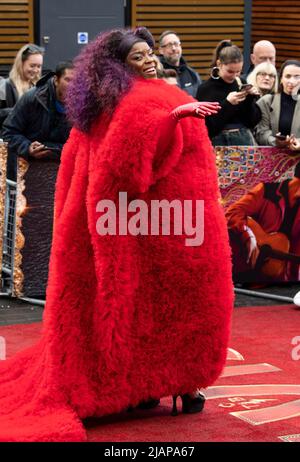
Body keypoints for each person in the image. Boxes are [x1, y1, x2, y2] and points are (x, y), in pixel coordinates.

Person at [0, 27, 233, 441]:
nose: (148, 60)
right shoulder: (115, 106)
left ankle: (177, 381)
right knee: (145, 306)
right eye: (137, 56)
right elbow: (128, 167)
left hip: (172, 226)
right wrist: (171, 121)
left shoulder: (150, 98)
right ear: (116, 67)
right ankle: (146, 383)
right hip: (138, 226)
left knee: (171, 303)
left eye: (149, 53)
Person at [226, 161, 300, 282]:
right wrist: (247, 234)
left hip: (290, 282)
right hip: (250, 276)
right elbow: (232, 213)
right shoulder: (266, 191)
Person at [2, 60, 75, 180]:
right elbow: (8, 132)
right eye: (68, 80)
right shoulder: (32, 98)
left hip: (64, 168)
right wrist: (27, 147)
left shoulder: (83, 105)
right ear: (56, 80)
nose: (73, 86)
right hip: (30, 168)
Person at [196, 40, 261, 146]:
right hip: (218, 144)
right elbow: (208, 127)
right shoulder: (206, 89)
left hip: (243, 142)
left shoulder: (241, 83)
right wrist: (227, 103)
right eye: (230, 71)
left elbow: (252, 122)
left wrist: (250, 98)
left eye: (239, 71)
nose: (235, 76)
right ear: (219, 64)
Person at [255, 59, 300, 149]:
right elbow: (261, 132)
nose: (292, 81)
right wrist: (275, 141)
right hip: (273, 159)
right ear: (281, 79)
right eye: (287, 76)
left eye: (297, 77)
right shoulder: (266, 101)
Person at [0, 43, 44, 131]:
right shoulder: (4, 86)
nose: (36, 70)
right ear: (21, 63)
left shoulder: (41, 87)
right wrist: (18, 111)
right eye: (32, 66)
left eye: (38, 66)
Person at [158, 30, 202, 97]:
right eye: (169, 45)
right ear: (161, 50)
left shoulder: (192, 74)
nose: (173, 48)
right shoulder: (156, 74)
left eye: (176, 44)